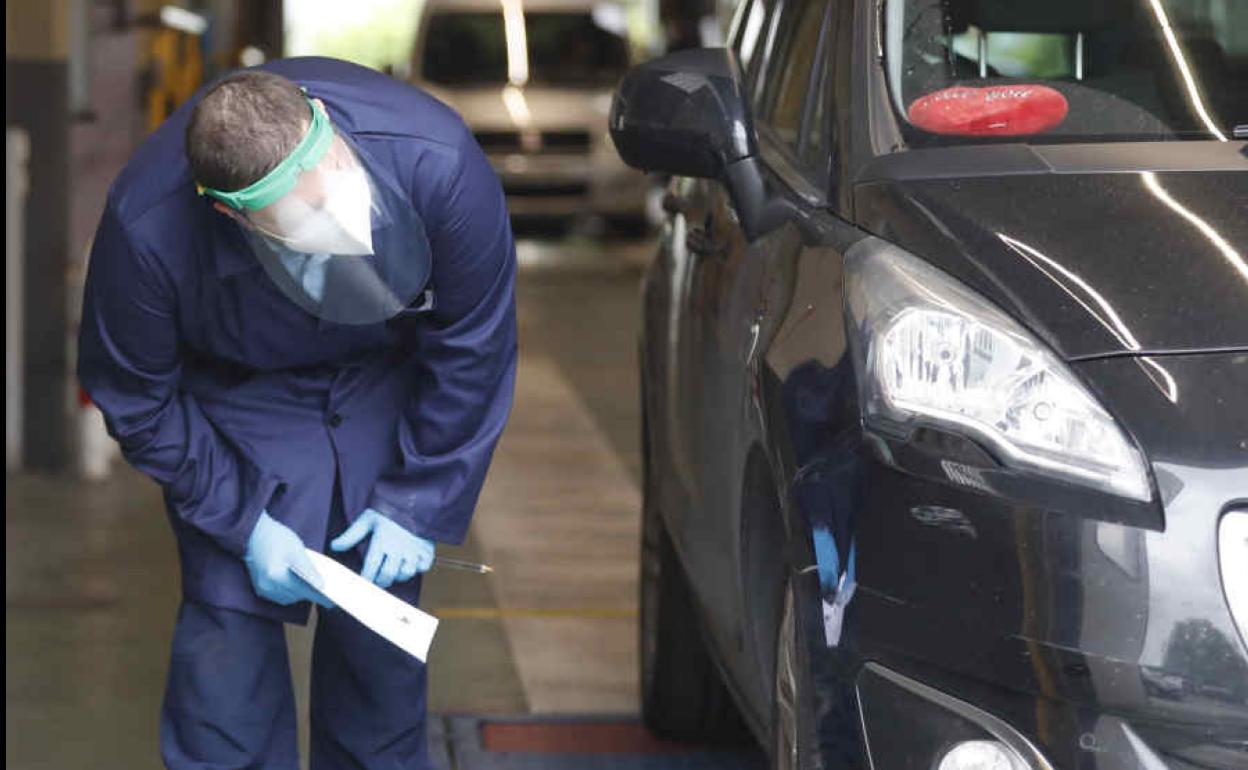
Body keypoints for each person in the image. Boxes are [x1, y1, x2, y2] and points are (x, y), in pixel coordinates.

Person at [77, 57, 517, 770]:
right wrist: (241, 519)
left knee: (380, 654)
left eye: (334, 180)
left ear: (327, 127)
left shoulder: (440, 165)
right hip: (235, 399)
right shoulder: (147, 230)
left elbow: (475, 345)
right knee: (226, 670)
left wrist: (422, 497)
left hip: (382, 379)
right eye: (303, 213)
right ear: (231, 211)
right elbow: (138, 398)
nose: (332, 211)